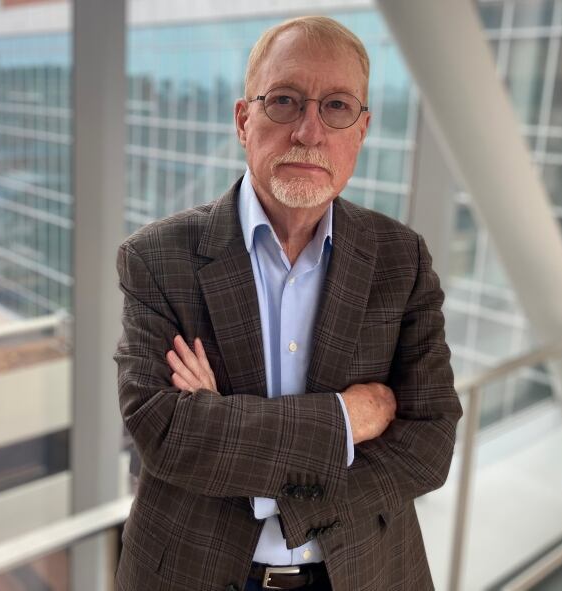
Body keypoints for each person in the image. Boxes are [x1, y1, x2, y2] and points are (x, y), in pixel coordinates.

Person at [115, 16, 462, 591]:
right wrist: (348, 420)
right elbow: (166, 431)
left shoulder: (402, 259)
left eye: (337, 106)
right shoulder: (156, 257)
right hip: (189, 572)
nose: (309, 130)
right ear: (243, 120)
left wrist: (229, 430)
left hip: (364, 573)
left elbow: (430, 444)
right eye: (284, 101)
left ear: (362, 130)